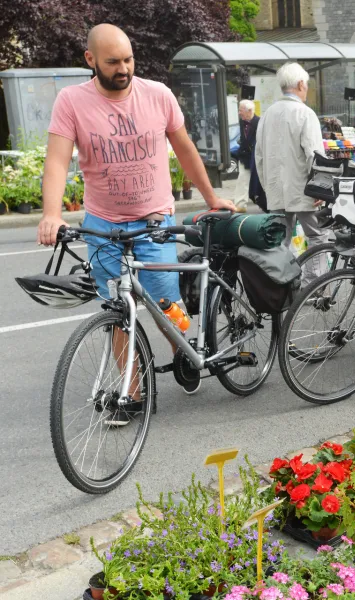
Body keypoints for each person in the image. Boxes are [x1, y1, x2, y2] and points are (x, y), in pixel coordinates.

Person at [38, 24, 236, 408]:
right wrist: (51, 214)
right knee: (118, 309)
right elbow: (57, 161)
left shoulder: (157, 95)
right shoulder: (71, 102)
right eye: (113, 62)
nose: (123, 68)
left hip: (154, 222)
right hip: (103, 226)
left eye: (128, 59)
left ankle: (182, 350)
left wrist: (212, 197)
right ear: (90, 60)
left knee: (167, 307)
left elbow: (185, 149)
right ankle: (132, 391)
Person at [254, 62, 329, 286]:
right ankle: (313, 285)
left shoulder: (267, 115)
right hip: (303, 189)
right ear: (300, 84)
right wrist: (321, 186)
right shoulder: (304, 114)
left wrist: (268, 185)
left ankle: (283, 284)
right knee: (317, 236)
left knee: (280, 241)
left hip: (276, 189)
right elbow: (314, 155)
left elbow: (259, 157)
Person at [233, 99, 259, 213]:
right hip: (244, 157)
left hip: (256, 158)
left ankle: (269, 203)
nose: (239, 112)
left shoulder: (259, 122)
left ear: (249, 111)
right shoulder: (242, 122)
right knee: (242, 180)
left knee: (262, 182)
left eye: (241, 110)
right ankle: (240, 205)